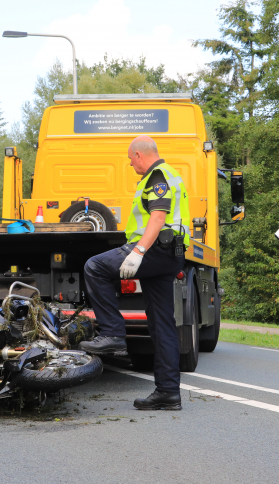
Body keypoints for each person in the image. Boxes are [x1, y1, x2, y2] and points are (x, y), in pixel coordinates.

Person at [78, 136, 191, 411]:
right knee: (162, 324)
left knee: (94, 267)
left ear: (140, 155)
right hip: (169, 254)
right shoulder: (170, 175)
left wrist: (138, 251)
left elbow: (158, 217)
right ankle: (168, 393)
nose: (131, 164)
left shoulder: (158, 177)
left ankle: (113, 334)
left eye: (130, 159)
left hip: (155, 250)